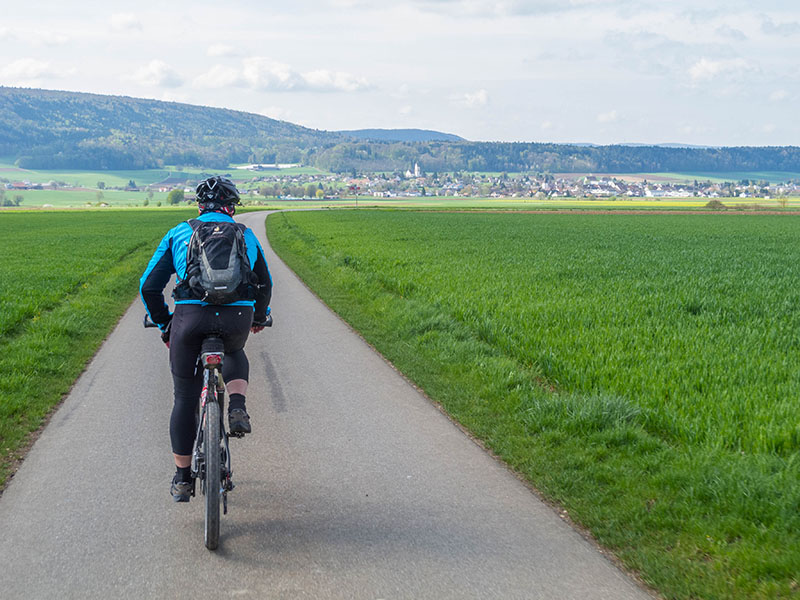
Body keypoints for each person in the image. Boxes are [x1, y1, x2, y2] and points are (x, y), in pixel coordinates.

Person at [140, 176, 272, 502]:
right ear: (232, 207)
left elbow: (149, 286)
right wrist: (258, 316)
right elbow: (265, 283)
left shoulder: (179, 233)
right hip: (236, 317)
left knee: (185, 399)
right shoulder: (245, 234)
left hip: (190, 318)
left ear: (200, 206)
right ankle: (237, 408)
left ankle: (183, 478)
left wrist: (164, 324)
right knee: (235, 349)